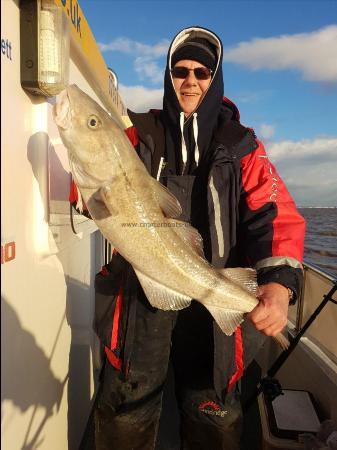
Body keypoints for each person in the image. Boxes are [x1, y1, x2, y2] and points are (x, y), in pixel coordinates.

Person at [91, 26, 306, 450]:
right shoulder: (137, 133)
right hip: (140, 295)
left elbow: (275, 215)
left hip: (215, 297)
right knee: (125, 411)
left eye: (202, 72)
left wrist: (279, 287)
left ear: (216, 77)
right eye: (180, 70)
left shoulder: (242, 146)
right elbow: (92, 192)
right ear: (168, 75)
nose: (190, 81)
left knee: (214, 414)